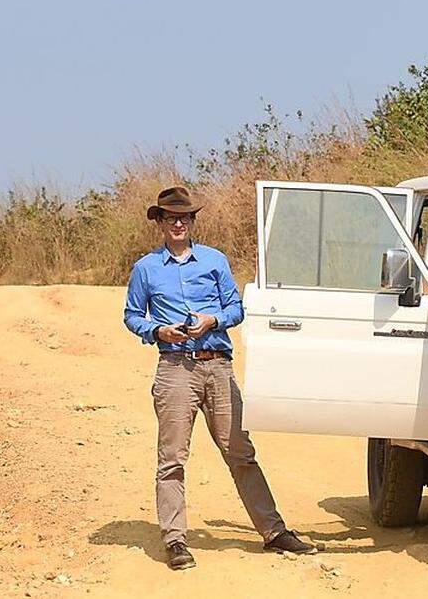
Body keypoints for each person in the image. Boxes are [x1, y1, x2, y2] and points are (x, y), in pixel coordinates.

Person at [123, 186, 316, 571]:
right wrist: (159, 331)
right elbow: (132, 315)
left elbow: (236, 308)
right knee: (172, 458)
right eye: (171, 217)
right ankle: (175, 539)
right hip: (175, 369)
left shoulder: (214, 261)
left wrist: (214, 320)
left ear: (193, 221)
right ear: (159, 222)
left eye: (185, 217)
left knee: (240, 452)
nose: (178, 223)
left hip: (218, 365)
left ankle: (273, 532)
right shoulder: (145, 269)